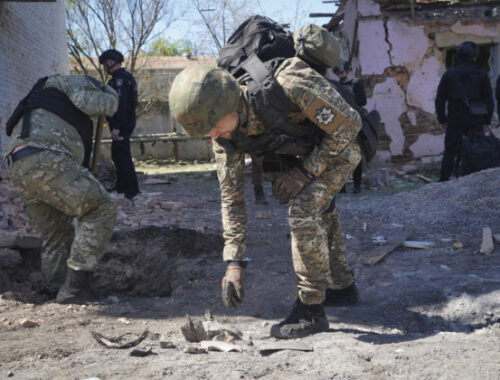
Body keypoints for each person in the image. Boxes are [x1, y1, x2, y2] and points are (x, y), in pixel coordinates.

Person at [169, 46, 361, 338]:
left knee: (304, 208)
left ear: (231, 105)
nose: (213, 137)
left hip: (339, 147)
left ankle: (311, 311)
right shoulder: (225, 136)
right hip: (306, 155)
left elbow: (349, 126)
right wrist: (235, 262)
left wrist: (305, 172)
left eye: (213, 127)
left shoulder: (289, 84)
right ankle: (343, 288)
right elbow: (232, 197)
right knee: (321, 207)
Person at [4, 74, 119, 304]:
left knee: (56, 230)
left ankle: (56, 286)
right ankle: (75, 289)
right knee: (100, 208)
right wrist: (112, 93)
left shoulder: (41, 94)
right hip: (47, 158)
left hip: (17, 165)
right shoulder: (71, 82)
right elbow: (103, 105)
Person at [435, 41, 494, 181]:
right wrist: (487, 121)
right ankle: (476, 179)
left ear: (458, 56)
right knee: (476, 149)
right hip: (476, 117)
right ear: (474, 57)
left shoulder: (449, 74)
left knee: (450, 151)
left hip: (455, 117)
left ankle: (443, 181)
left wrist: (442, 119)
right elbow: (489, 100)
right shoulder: (481, 74)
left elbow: (440, 99)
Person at [99, 49, 140, 199]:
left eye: (105, 64)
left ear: (111, 62)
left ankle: (132, 189)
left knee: (122, 155)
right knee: (117, 154)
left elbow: (122, 105)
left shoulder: (120, 80)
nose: (104, 67)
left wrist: (117, 127)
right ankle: (122, 186)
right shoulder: (123, 78)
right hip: (123, 123)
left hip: (122, 124)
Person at [334, 59, 367, 193]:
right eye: (339, 73)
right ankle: (342, 186)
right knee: (341, 156)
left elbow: (362, 101)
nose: (341, 75)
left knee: (355, 155)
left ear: (347, 71)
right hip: (341, 123)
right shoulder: (337, 86)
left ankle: (357, 185)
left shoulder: (356, 84)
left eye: (342, 72)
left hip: (355, 121)